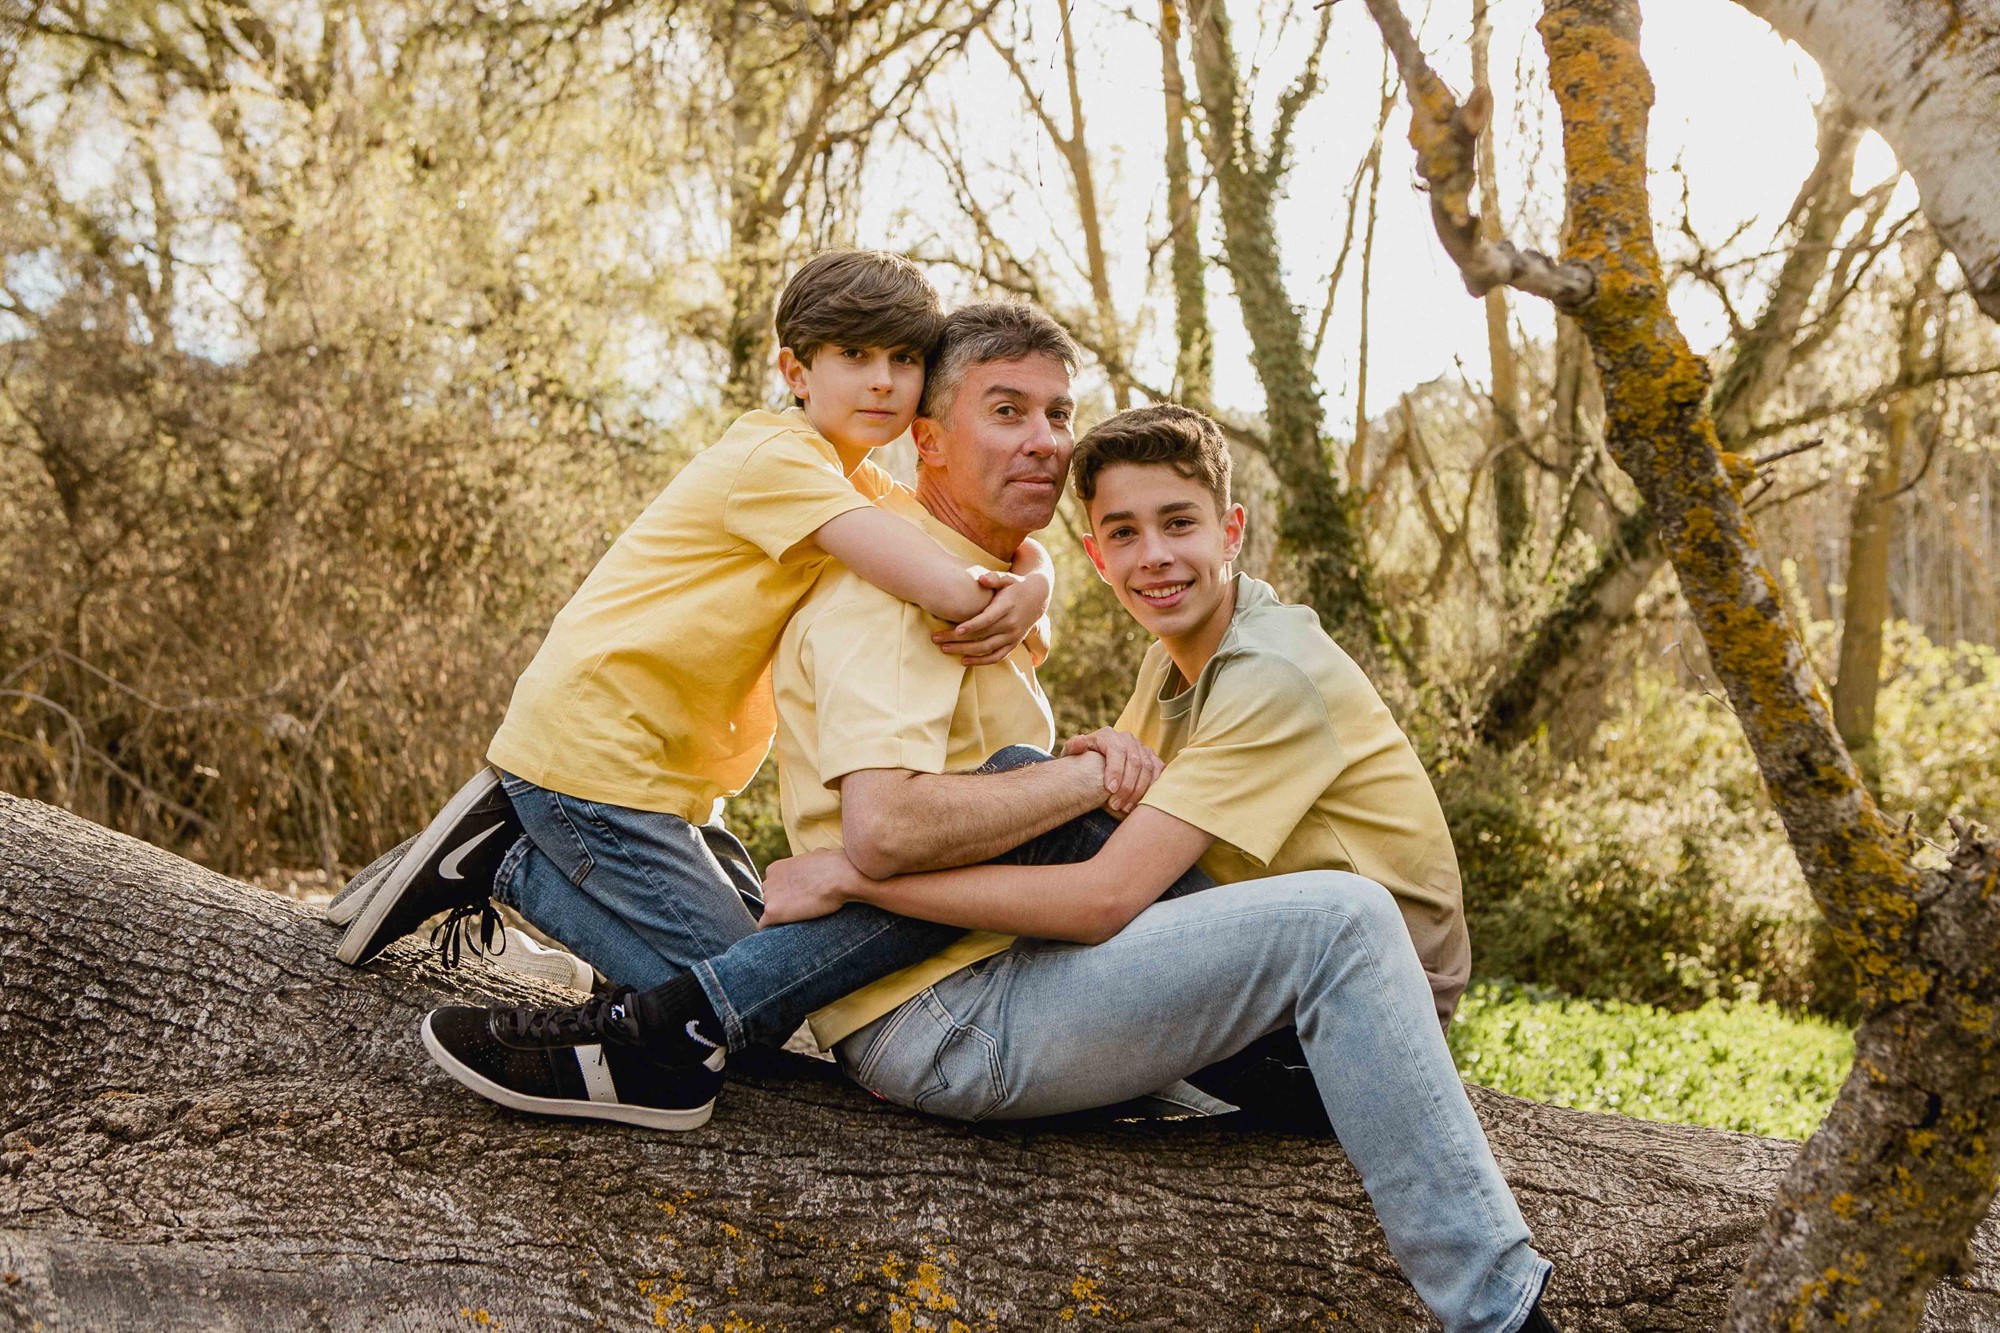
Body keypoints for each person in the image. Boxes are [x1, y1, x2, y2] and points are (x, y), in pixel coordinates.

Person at [420, 396, 1562, 1333]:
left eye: (1178, 524)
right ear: (1094, 551)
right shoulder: (1167, 678)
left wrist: (860, 876)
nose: (1152, 555)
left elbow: (1108, 894)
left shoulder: (1272, 674)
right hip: (1228, 1013)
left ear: (1234, 530)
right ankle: (559, 892)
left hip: (1331, 1038)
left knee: (1335, 915)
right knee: (1042, 782)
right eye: (1119, 533)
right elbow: (1094, 852)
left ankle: (1502, 1311)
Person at [330, 251, 1066, 985]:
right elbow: (948, 585)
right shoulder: (776, 458)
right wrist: (1025, 594)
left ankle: (589, 957)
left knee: (765, 961)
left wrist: (1039, 575)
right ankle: (504, 859)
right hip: (597, 750)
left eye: (904, 358)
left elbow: (978, 558)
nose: (881, 379)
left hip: (665, 774)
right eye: (853, 354)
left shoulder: (853, 477)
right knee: (741, 992)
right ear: (795, 372)